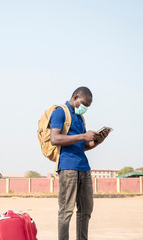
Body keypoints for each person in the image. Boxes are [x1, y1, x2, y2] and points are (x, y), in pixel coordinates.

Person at [50, 87, 111, 240]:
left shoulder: (80, 118)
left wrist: (98, 141)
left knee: (86, 210)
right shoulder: (60, 112)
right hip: (68, 167)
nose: (85, 108)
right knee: (66, 211)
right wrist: (84, 135)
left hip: (84, 167)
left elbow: (82, 146)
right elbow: (55, 139)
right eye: (84, 104)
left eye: (88, 106)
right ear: (76, 97)